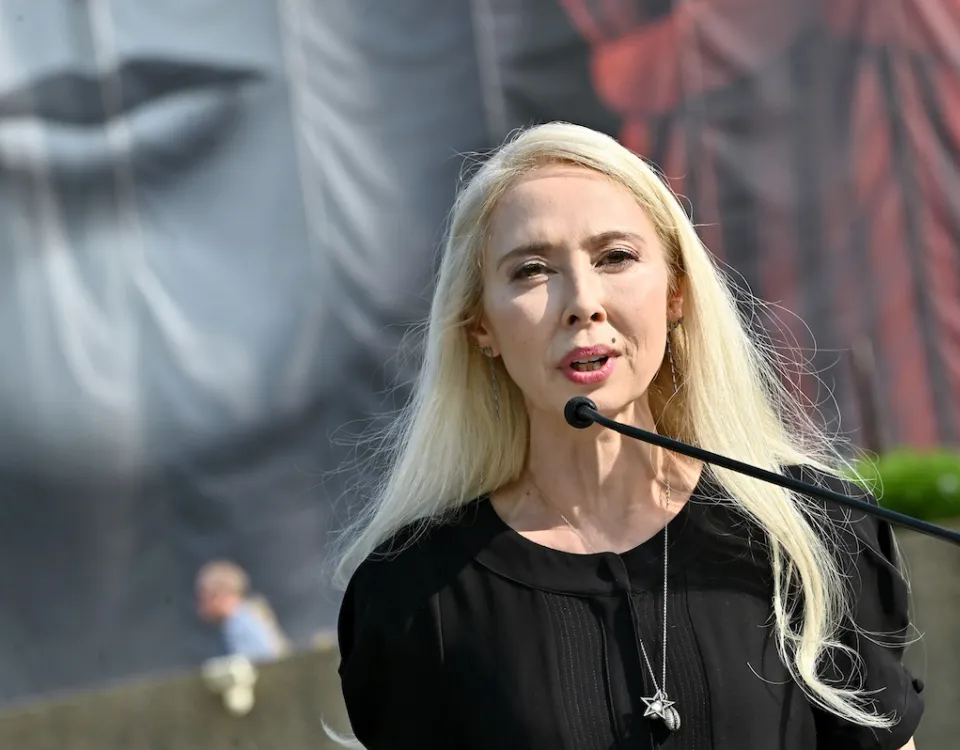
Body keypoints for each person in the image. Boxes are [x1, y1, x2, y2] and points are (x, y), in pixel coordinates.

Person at [333, 122, 923, 749]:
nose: (583, 302)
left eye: (615, 257)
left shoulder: (808, 533)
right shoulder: (412, 598)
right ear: (480, 326)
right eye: (532, 270)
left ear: (675, 291)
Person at [195, 560, 287, 662]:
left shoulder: (239, 622)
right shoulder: (248, 614)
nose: (201, 605)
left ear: (219, 595)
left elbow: (262, 659)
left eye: (203, 597)